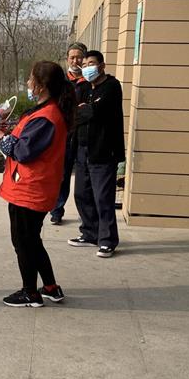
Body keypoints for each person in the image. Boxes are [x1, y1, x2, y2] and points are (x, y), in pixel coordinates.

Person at [0, 61, 75, 307]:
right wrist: (6, 133)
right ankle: (50, 287)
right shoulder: (45, 111)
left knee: (23, 243)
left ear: (41, 85)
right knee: (33, 240)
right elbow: (25, 140)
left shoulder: (47, 117)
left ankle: (30, 293)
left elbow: (23, 152)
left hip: (30, 190)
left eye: (30, 79)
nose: (27, 83)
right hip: (33, 187)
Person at [69, 49, 124, 257]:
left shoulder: (111, 86)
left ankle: (107, 240)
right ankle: (90, 233)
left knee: (103, 197)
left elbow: (96, 111)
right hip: (83, 149)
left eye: (91, 64)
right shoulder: (84, 87)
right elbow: (75, 113)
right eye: (84, 65)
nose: (87, 68)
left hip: (103, 151)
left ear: (102, 65)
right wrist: (84, 110)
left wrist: (86, 109)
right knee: (82, 194)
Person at [50, 42, 87, 225]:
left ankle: (86, 214)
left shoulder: (90, 81)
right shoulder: (60, 82)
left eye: (79, 57)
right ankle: (57, 210)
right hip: (65, 134)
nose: (75, 61)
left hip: (84, 134)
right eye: (72, 57)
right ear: (67, 59)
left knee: (84, 176)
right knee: (62, 174)